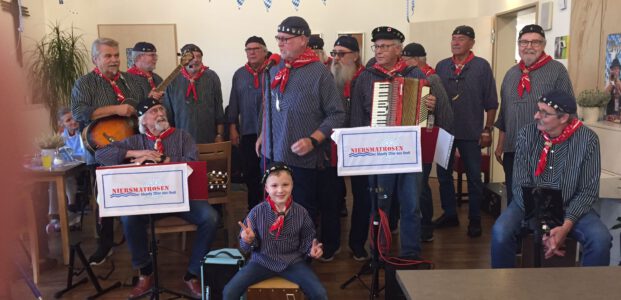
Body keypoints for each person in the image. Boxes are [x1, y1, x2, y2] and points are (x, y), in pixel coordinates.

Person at [95, 99, 219, 298]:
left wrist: (165, 160)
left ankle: (193, 274)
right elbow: (101, 154)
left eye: (161, 109)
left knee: (210, 217)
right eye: (154, 111)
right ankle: (145, 272)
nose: (160, 113)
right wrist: (137, 153)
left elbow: (193, 161)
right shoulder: (135, 140)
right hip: (148, 202)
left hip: (182, 199)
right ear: (144, 122)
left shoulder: (182, 136)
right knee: (128, 219)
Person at [490, 89, 612, 268]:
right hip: (529, 205)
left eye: (544, 113)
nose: (536, 115)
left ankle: (590, 292)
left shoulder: (588, 140)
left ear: (563, 118)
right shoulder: (527, 134)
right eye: (538, 109)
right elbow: (520, 183)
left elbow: (587, 191)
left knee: (600, 240)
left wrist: (566, 226)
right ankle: (504, 292)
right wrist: (544, 226)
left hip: (570, 206)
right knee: (500, 232)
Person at [257, 16, 345, 229]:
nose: (280, 43)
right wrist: (262, 134)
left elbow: (337, 114)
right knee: (273, 207)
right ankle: (278, 252)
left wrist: (313, 140)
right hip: (272, 152)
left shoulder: (320, 74)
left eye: (286, 38)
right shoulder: (274, 69)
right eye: (278, 38)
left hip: (300, 157)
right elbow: (269, 106)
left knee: (302, 210)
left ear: (304, 40)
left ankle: (303, 255)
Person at [350, 26, 427, 259]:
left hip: (409, 152)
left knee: (411, 206)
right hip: (379, 152)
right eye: (376, 46)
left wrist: (428, 107)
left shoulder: (416, 75)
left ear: (398, 49)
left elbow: (427, 120)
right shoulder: (365, 77)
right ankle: (379, 253)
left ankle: (411, 255)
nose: (379, 51)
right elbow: (356, 119)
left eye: (384, 46)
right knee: (380, 206)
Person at [71, 37, 149, 264]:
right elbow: (79, 112)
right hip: (100, 148)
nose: (114, 60)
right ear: (95, 59)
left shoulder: (134, 82)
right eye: (108, 56)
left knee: (138, 195)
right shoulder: (84, 83)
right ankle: (105, 244)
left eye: (116, 55)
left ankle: (140, 244)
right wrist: (116, 109)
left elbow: (144, 111)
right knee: (104, 200)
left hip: (133, 147)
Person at [222, 162, 327, 300]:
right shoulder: (256, 212)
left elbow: (308, 238)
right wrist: (248, 240)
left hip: (292, 261)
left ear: (292, 185)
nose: (280, 190)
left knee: (320, 293)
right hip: (261, 261)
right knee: (229, 292)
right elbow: (245, 247)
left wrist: (311, 249)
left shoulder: (301, 212)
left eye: (285, 185)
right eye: (274, 186)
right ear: (266, 188)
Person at [494, 24, 573, 205]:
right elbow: (504, 114)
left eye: (535, 42)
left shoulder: (557, 71)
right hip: (513, 149)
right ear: (518, 45)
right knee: (515, 198)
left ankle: (540, 233)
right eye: (524, 42)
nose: (529, 46)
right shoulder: (511, 74)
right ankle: (517, 232)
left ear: (543, 44)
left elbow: (568, 113)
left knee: (541, 202)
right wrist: (501, 145)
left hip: (545, 149)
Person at [434, 25, 498, 237]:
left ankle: (475, 219)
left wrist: (487, 129)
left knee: (474, 177)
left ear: (471, 42)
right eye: (453, 38)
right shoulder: (442, 66)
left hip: (472, 132)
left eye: (460, 38)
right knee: (443, 175)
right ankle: (450, 214)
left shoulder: (481, 66)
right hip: (444, 131)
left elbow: (491, 102)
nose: (455, 42)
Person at [401, 42, 454, 242]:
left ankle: (426, 226)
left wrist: (443, 141)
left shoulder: (432, 78)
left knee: (421, 185)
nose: (403, 63)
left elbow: (445, 113)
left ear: (416, 60)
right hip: (411, 140)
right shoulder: (407, 77)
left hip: (425, 139)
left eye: (405, 60)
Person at [330, 35, 371, 260]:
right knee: (333, 197)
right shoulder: (328, 77)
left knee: (362, 198)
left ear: (355, 55)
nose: (336, 58)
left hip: (361, 146)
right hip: (333, 146)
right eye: (334, 53)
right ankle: (331, 243)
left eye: (341, 54)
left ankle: (357, 243)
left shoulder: (367, 77)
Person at [229, 36, 269, 211]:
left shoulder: (272, 70)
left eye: (256, 48)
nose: (252, 52)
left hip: (269, 132)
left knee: (269, 173)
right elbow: (234, 102)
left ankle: (272, 210)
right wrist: (232, 128)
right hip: (247, 132)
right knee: (251, 174)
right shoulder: (239, 74)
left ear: (265, 51)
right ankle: (254, 210)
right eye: (248, 49)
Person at [163, 43, 225, 143]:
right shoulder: (172, 80)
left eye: (198, 56)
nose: (195, 60)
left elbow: (218, 109)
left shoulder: (212, 77)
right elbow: (168, 114)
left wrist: (219, 135)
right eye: (191, 57)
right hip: (181, 140)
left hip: (209, 138)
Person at [46, 107, 87, 233]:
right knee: (53, 180)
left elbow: (84, 154)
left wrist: (69, 156)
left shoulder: (83, 133)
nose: (73, 122)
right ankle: (54, 216)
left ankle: (71, 206)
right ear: (62, 124)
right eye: (68, 120)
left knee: (68, 177)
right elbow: (58, 154)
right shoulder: (62, 137)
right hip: (68, 167)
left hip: (82, 168)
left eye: (74, 118)